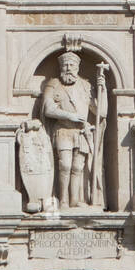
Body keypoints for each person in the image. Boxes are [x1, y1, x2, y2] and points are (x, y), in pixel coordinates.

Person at [40, 47, 98, 208]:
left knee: (78, 167)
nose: (68, 69)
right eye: (65, 65)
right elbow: (48, 109)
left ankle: (74, 200)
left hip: (82, 132)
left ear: (77, 67)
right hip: (63, 131)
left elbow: (100, 111)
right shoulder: (54, 84)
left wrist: (104, 89)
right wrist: (69, 115)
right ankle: (63, 200)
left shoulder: (86, 86)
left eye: (72, 65)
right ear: (61, 67)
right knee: (64, 165)